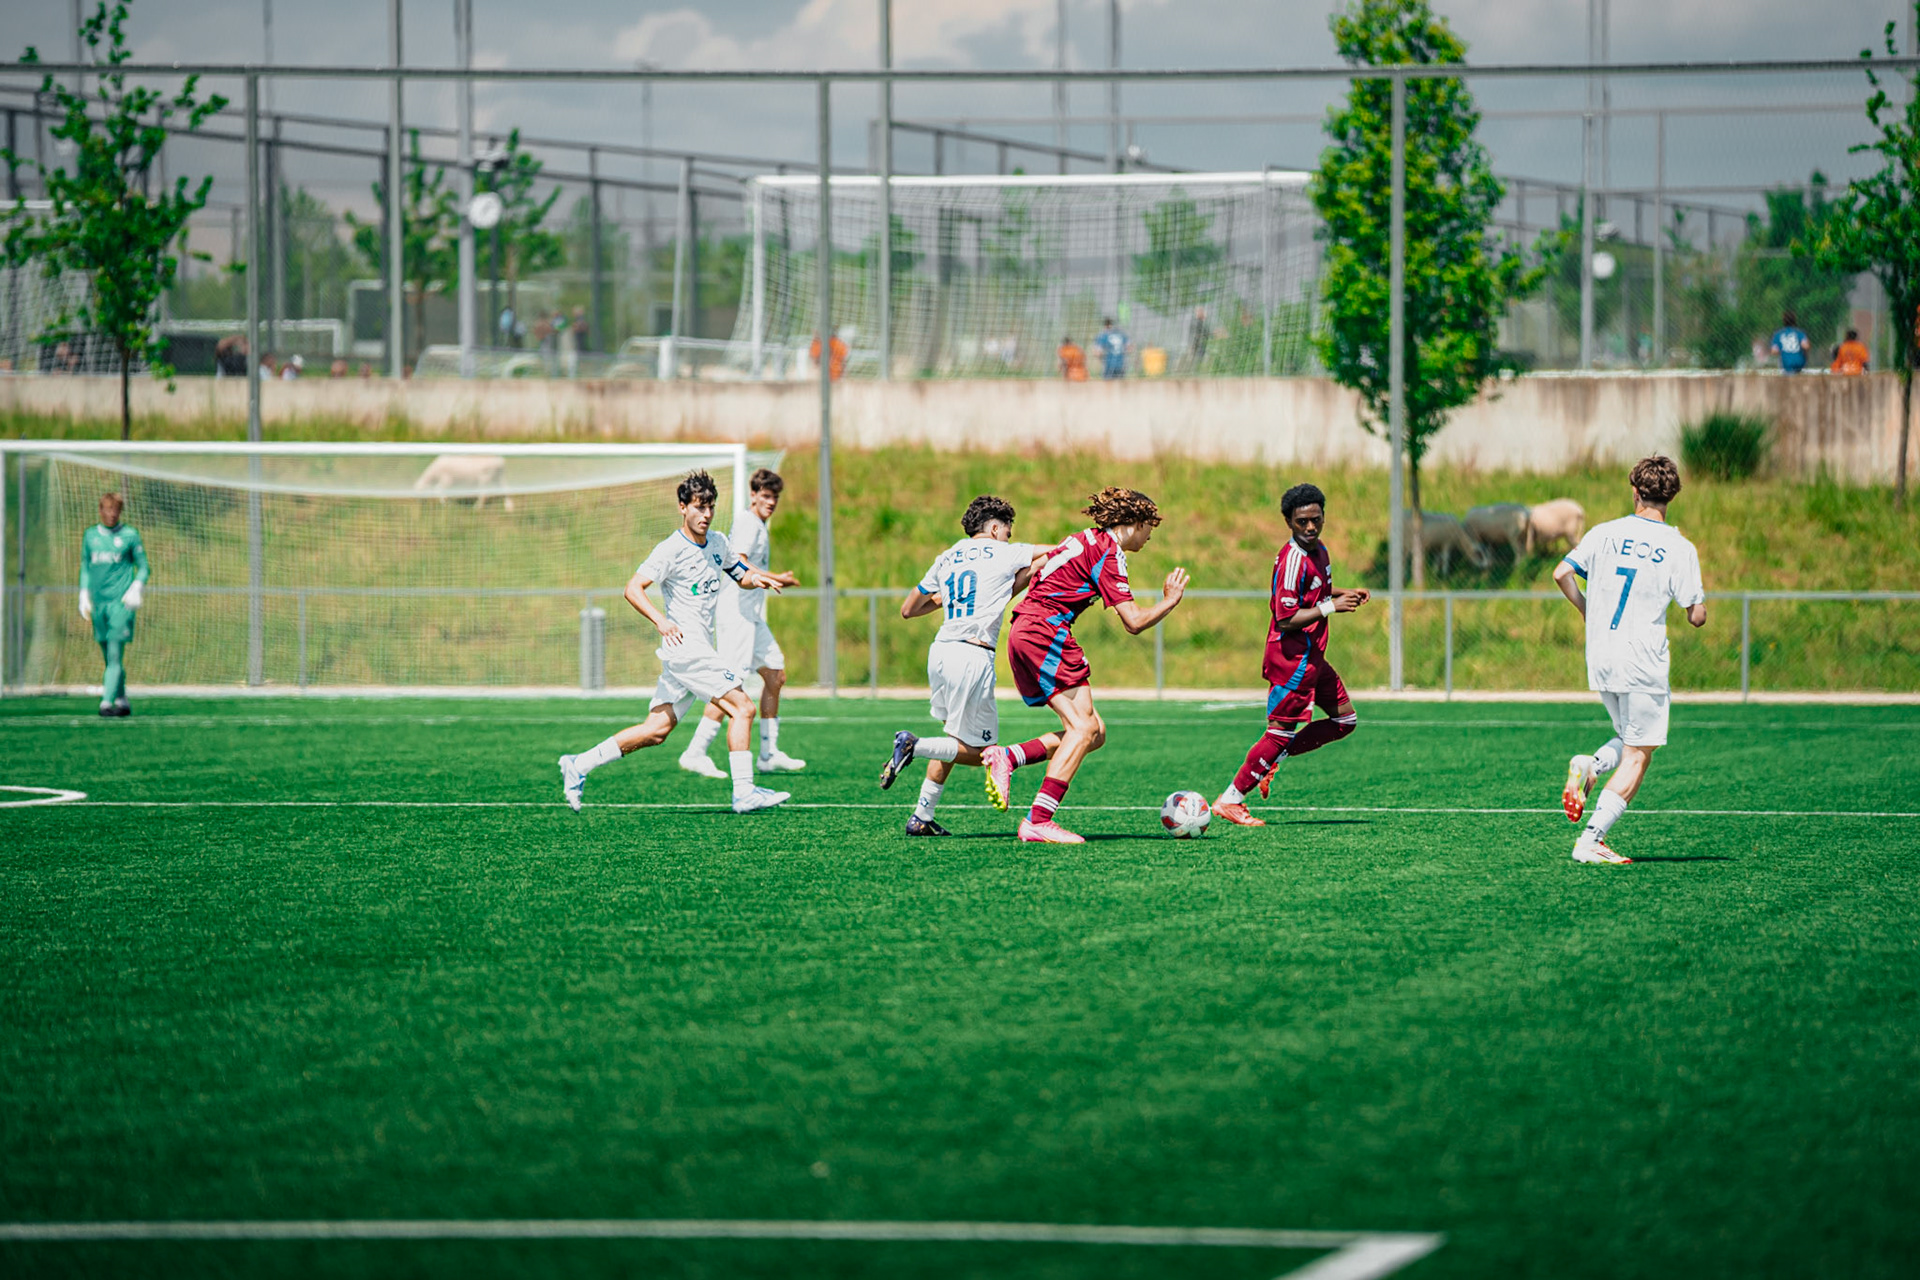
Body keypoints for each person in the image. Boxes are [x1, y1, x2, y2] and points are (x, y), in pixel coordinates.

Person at [557, 470, 791, 815]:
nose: (706, 514)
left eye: (710, 506)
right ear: (683, 507)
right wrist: (661, 620)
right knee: (743, 707)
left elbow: (739, 575)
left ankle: (578, 764)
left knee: (656, 730)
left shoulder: (719, 543)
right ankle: (744, 792)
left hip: (694, 651)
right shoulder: (670, 549)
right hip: (687, 650)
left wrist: (759, 580)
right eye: (699, 507)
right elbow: (633, 588)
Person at [988, 487, 1187, 843]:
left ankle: (1010, 756)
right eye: (1149, 528)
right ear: (1135, 523)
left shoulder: (1083, 538)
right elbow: (1134, 621)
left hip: (1026, 628)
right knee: (1082, 728)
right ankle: (1038, 820)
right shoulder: (1109, 554)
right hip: (1044, 631)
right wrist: (1170, 601)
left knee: (1094, 731)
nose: (1151, 536)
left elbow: (1039, 569)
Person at [1552, 455, 1707, 865]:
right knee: (1641, 752)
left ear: (1635, 492)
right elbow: (1696, 615)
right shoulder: (1678, 546)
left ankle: (1592, 764)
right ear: (1671, 496)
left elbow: (1561, 573)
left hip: (1602, 656)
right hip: (1643, 661)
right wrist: (1696, 608)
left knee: (1630, 737)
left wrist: (1587, 609)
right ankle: (1591, 840)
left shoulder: (1604, 533)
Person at [879, 495, 1061, 837]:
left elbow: (908, 609)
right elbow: (1056, 550)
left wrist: (945, 600)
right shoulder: (1003, 551)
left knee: (953, 736)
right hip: (972, 657)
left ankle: (922, 816)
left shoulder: (947, 556)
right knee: (985, 754)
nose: (1009, 537)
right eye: (1007, 531)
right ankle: (913, 745)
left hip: (942, 652)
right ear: (994, 528)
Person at [1211, 483, 1370, 827]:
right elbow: (1285, 618)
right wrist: (1331, 606)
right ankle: (1230, 800)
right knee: (1279, 733)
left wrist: (1342, 593)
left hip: (1313, 656)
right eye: (1302, 522)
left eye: (1316, 519)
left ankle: (1270, 761)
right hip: (1292, 659)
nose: (1310, 527)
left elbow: (1316, 592)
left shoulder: (1319, 550)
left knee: (1345, 721)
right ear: (1288, 522)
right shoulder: (1292, 561)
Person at [679, 468, 806, 779]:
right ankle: (696, 750)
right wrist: (778, 579)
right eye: (765, 496)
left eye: (775, 497)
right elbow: (739, 561)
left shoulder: (760, 524)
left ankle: (769, 753)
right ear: (753, 495)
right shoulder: (748, 522)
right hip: (735, 614)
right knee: (730, 684)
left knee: (775, 673)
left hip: (751, 615)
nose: (771, 502)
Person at [78, 492, 149, 718]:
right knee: (108, 656)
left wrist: (136, 587)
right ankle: (121, 699)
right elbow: (85, 567)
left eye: (115, 510)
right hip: (99, 605)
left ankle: (106, 702)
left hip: (121, 604)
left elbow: (144, 567)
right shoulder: (90, 536)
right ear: (100, 510)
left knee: (115, 653)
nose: (111, 514)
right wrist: (83, 593)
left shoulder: (130, 535)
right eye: (108, 510)